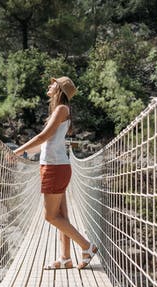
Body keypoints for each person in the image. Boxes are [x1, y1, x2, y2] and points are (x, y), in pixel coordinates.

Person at [13, 76, 98, 270]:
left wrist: (17, 150)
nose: (50, 85)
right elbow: (46, 144)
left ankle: (87, 246)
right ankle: (65, 259)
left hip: (55, 168)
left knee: (50, 216)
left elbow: (43, 136)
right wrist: (24, 153)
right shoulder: (60, 111)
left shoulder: (61, 109)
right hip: (56, 166)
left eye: (53, 83)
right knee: (62, 215)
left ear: (59, 89)